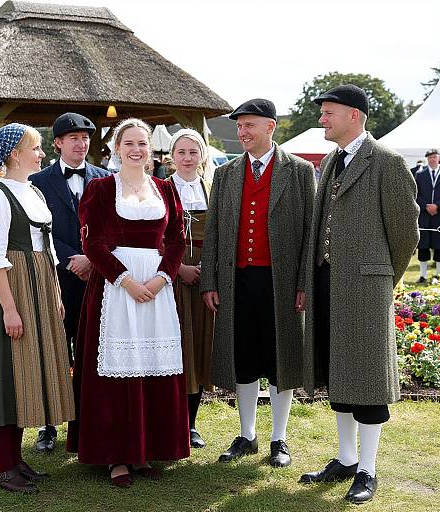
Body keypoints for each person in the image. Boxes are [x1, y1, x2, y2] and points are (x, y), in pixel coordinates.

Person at [301, 85, 419, 504]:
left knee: (367, 379)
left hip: (367, 287)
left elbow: (406, 232)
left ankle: (368, 470)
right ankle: (346, 458)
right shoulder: (333, 160)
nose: (321, 120)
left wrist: (381, 277)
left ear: (354, 115)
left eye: (328, 113)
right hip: (329, 283)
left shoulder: (386, 162)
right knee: (340, 374)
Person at [66, 118, 189, 487]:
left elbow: (176, 239)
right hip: (114, 289)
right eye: (129, 143)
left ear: (150, 150)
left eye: (142, 144)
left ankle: (145, 450)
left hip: (156, 287)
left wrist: (161, 278)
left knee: (152, 366)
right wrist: (126, 281)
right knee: (117, 371)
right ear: (116, 149)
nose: (136, 150)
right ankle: (116, 456)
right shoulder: (102, 188)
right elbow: (93, 244)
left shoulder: (165, 189)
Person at [200, 99, 315, 467]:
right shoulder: (227, 173)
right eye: (239, 126)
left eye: (249, 125)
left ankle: (279, 439)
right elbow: (214, 232)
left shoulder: (298, 171)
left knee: (280, 357)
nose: (242, 132)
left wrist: (304, 283)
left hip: (280, 281)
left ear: (270, 127)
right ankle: (247, 434)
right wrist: (210, 280)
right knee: (243, 356)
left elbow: (310, 234)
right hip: (237, 280)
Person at [0, 123, 75, 493]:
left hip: (40, 285)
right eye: (36, 147)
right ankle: (2, 467)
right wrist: (10, 310)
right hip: (12, 291)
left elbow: (48, 250)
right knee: (5, 375)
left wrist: (56, 294)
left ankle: (15, 461)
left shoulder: (31, 191)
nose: (42, 153)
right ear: (15, 153)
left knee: (27, 372)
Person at [30, 112, 109, 452]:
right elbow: (37, 229)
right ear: (58, 143)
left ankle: (86, 424)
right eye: (73, 137)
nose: (81, 143)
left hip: (98, 280)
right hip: (57, 281)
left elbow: (112, 227)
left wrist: (93, 259)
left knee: (93, 354)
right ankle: (49, 425)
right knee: (54, 351)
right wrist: (71, 259)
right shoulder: (37, 181)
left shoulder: (108, 179)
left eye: (86, 137)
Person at [168, 129, 214, 448]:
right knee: (172, 343)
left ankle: (191, 423)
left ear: (202, 156)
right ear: (172, 155)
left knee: (197, 344)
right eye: (181, 152)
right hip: (168, 273)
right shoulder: (159, 188)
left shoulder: (211, 189)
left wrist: (208, 273)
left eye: (192, 152)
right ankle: (169, 420)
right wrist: (177, 268)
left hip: (203, 274)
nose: (186, 158)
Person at [415, 149, 440, 283]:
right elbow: (416, 194)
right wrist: (426, 206)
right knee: (423, 245)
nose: (433, 159)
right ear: (427, 159)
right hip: (425, 216)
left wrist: (437, 205)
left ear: (439, 158)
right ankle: (423, 275)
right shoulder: (420, 174)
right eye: (430, 157)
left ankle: (439, 275)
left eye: (435, 157)